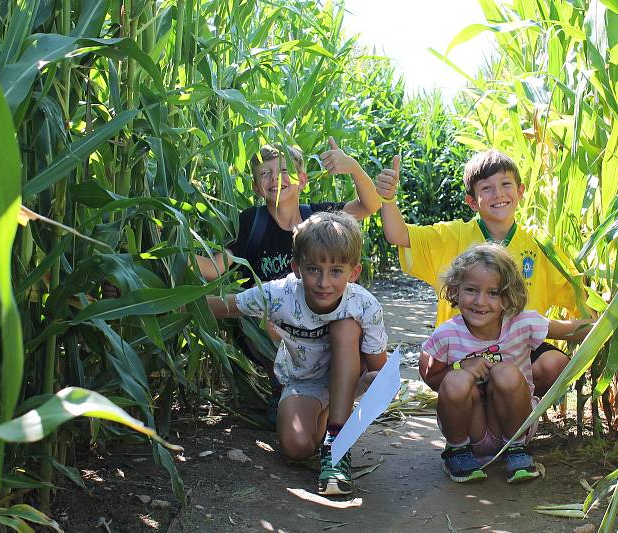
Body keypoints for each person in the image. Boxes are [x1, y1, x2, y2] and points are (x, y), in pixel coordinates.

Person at [196, 140, 381, 423]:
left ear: (303, 180)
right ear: (256, 187)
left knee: (344, 326)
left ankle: (336, 389)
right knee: (265, 324)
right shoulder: (251, 224)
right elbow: (213, 268)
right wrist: (162, 250)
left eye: (284, 170)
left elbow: (370, 204)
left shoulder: (319, 221)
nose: (275, 179)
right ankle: (280, 388)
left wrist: (352, 167)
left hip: (321, 323)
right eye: (265, 173)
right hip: (271, 326)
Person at [206, 211, 388, 496]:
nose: (324, 282)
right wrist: (143, 296)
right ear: (296, 267)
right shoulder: (280, 295)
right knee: (296, 447)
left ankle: (336, 446)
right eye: (314, 269)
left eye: (336, 271)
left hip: (350, 378)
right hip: (303, 381)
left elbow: (380, 370)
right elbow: (223, 306)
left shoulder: (363, 305)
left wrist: (364, 393)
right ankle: (326, 414)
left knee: (345, 328)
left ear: (354, 273)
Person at [375, 150, 581, 396]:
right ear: (471, 201)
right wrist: (387, 199)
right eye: (487, 188)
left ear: (521, 191)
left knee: (554, 365)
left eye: (506, 184)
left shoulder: (540, 247)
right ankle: (473, 407)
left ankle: (510, 407)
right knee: (431, 364)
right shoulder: (452, 236)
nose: (499, 194)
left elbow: (579, 300)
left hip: (518, 350)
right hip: (464, 349)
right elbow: (398, 235)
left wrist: (608, 321)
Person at [422, 244, 591, 484]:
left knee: (506, 373)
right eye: (471, 290)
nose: (480, 301)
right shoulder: (447, 335)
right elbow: (429, 376)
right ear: (455, 291)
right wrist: (461, 368)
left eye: (493, 293)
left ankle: (516, 450)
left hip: (514, 427)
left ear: (509, 296)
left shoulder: (522, 324)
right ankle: (458, 452)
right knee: (457, 380)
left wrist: (616, 322)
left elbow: (571, 330)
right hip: (470, 429)